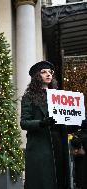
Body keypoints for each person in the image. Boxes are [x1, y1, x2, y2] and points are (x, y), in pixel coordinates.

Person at [20, 61, 80, 189]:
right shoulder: (29, 97)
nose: (48, 74)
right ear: (36, 76)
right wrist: (41, 123)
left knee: (60, 178)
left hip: (59, 143)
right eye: (44, 72)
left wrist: (78, 124)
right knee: (44, 181)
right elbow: (24, 122)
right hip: (41, 146)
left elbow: (64, 123)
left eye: (50, 72)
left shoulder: (59, 96)